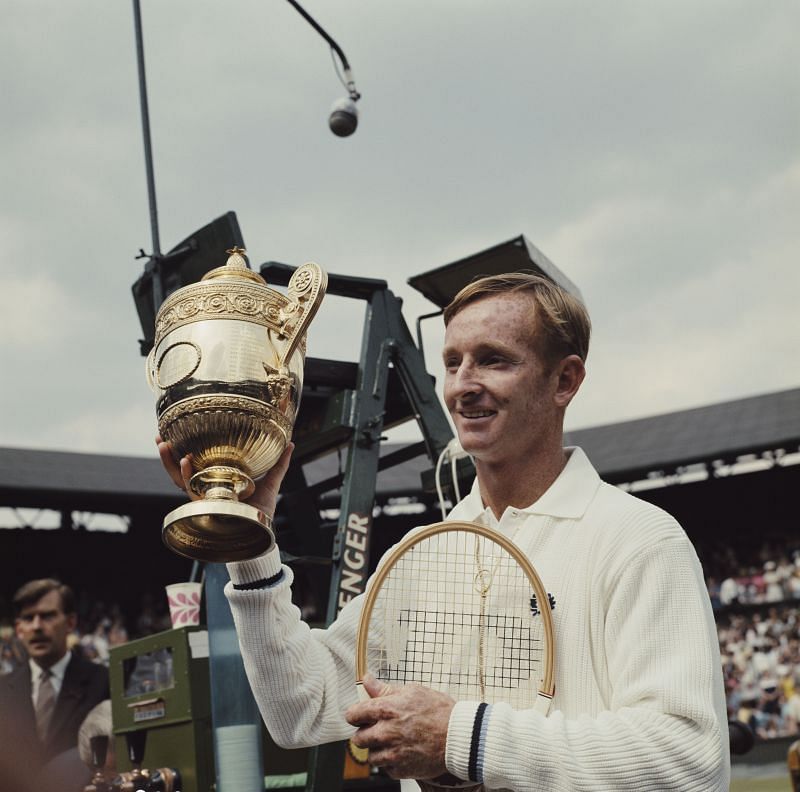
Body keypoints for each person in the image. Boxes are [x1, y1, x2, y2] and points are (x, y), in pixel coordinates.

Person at [160, 272, 730, 790]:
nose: (463, 385)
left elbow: (688, 759)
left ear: (565, 380)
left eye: (493, 360)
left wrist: (462, 737)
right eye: (453, 362)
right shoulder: (417, 559)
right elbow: (300, 710)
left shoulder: (638, 540)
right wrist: (251, 542)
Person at [0, 579, 110, 788]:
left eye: (48, 616)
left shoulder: (103, 682)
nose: (37, 626)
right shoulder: (2, 691)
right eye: (28, 618)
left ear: (70, 623)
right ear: (18, 628)